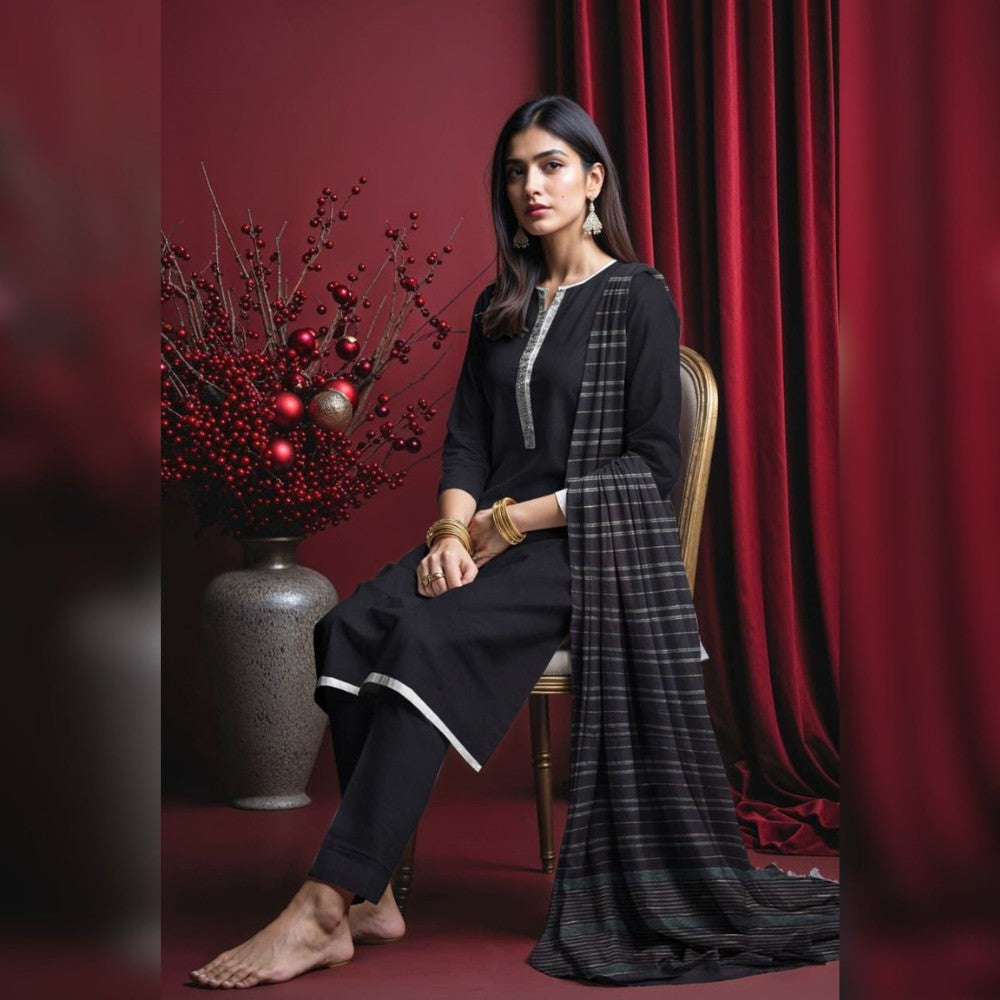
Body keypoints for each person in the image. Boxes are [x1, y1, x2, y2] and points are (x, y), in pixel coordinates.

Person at [191, 95, 837, 990]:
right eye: (515, 170)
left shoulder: (638, 298)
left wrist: (504, 524)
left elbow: (650, 468)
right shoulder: (505, 304)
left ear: (594, 180)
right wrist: (455, 530)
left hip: (585, 550)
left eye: (551, 165)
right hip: (485, 536)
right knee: (347, 629)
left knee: (423, 641)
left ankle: (324, 906)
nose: (530, 186)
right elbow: (467, 441)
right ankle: (375, 896)